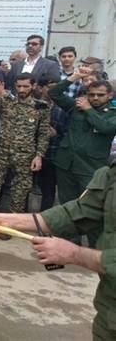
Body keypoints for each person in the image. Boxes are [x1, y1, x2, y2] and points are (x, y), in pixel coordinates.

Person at [0, 158, 116, 340]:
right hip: (108, 312)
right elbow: (78, 212)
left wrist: (74, 254)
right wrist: (9, 220)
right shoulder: (112, 173)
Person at [49, 71, 116, 244]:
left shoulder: (112, 113)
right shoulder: (76, 106)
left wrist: (88, 110)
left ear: (110, 95)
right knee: (67, 206)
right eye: (91, 94)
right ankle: (70, 244)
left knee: (91, 209)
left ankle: (96, 247)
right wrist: (74, 77)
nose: (95, 98)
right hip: (66, 164)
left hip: (90, 168)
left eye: (100, 95)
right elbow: (54, 93)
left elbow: (105, 127)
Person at [0, 73, 50, 220]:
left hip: (25, 155)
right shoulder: (5, 101)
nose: (22, 89)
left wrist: (39, 156)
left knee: (20, 192)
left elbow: (43, 133)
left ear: (33, 86)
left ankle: (13, 223)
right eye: (19, 86)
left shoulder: (41, 107)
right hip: (1, 153)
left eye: (26, 86)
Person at [34, 76, 68, 212]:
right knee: (24, 187)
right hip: (29, 152)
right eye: (49, 87)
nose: (53, 90)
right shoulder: (33, 106)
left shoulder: (63, 109)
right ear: (40, 88)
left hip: (52, 154)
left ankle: (44, 217)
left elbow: (69, 132)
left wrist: (57, 133)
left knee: (48, 189)